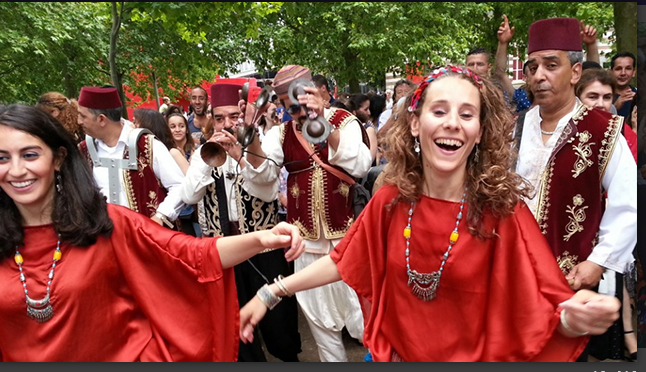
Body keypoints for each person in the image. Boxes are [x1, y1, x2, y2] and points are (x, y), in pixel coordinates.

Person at [238, 66, 621, 362]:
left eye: (467, 114)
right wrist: (271, 292)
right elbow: (345, 260)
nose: (453, 122)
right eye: (440, 110)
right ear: (416, 123)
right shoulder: (390, 200)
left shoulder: (503, 212)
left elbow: (547, 306)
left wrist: (575, 319)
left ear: (481, 132)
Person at [0, 104, 305, 362]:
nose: (15, 170)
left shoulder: (104, 222)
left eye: (29, 155)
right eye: (2, 157)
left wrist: (261, 238)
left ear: (58, 160)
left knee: (280, 336)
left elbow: (189, 253)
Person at [516, 17, 637, 362]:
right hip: (512, 275)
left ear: (574, 71)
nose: (539, 75)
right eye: (532, 66)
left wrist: (599, 262)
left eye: (551, 65)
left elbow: (628, 204)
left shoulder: (604, 130)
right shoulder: (514, 128)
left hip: (570, 281)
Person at [241, 64, 372, 362]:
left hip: (349, 240)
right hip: (307, 244)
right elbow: (262, 182)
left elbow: (362, 164)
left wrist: (323, 122)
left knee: (366, 319)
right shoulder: (281, 133)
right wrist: (253, 134)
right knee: (321, 326)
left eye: (300, 105)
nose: (297, 113)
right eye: (290, 108)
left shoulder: (344, 120)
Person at [181, 83, 302, 362]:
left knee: (279, 325)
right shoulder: (204, 151)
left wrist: (241, 157)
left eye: (233, 116)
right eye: (220, 117)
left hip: (265, 249)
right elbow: (189, 195)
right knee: (236, 329)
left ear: (244, 114)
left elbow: (268, 189)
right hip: (224, 251)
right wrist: (206, 155)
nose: (227, 124)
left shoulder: (265, 139)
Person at [77, 86, 185, 229]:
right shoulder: (84, 150)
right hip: (103, 241)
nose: (79, 121)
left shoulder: (147, 145)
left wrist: (160, 216)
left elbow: (178, 185)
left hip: (146, 242)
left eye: (83, 116)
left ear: (102, 119)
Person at [609, 52, 637, 120]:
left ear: (633, 72)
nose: (623, 73)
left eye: (628, 68)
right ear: (611, 72)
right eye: (618, 69)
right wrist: (614, 107)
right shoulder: (602, 95)